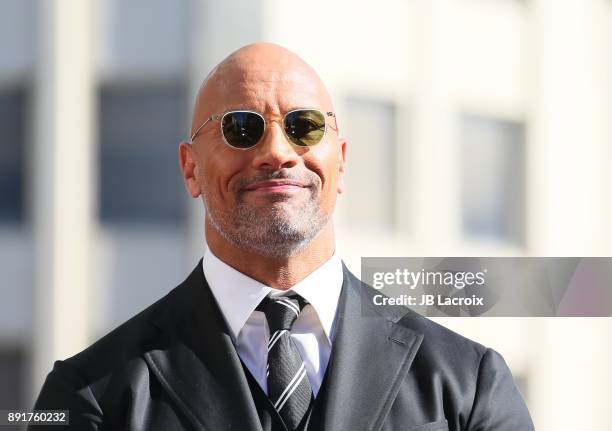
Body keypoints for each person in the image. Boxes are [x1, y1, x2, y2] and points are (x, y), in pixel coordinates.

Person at [31, 43, 534, 431]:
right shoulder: (90, 394)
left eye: (304, 126)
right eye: (242, 128)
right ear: (190, 169)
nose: (278, 151)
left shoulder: (468, 383)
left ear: (341, 163)